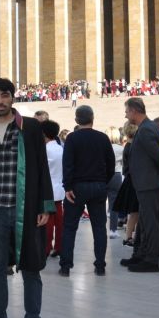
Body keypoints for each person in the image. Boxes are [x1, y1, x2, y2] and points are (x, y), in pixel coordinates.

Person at [0, 78, 54, 318]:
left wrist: (45, 204)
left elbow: (42, 166)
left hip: (27, 208)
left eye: (4, 95)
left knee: (31, 267)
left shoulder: (30, 126)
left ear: (12, 97)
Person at [120, 98, 159, 273]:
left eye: (127, 111)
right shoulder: (145, 128)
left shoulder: (147, 130)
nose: (126, 114)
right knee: (144, 221)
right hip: (144, 182)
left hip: (149, 183)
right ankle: (141, 255)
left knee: (150, 222)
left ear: (135, 110)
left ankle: (150, 260)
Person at [59, 105, 115, 277]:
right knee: (99, 228)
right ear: (93, 118)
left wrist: (67, 187)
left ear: (76, 120)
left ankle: (66, 266)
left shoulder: (72, 138)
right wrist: (103, 181)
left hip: (77, 187)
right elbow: (110, 164)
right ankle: (100, 266)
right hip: (98, 185)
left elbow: (68, 164)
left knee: (69, 227)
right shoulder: (103, 138)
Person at [42, 120, 65, 258]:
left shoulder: (46, 149)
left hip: (48, 189)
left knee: (48, 223)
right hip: (59, 187)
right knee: (59, 221)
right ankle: (59, 246)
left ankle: (46, 247)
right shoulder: (60, 147)